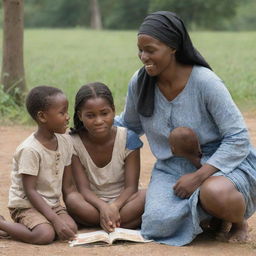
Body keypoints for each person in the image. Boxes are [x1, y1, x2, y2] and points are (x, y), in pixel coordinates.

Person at [115, 11, 256, 246]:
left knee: (215, 193)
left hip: (223, 164)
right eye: (140, 50)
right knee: (156, 225)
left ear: (173, 47)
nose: (143, 56)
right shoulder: (139, 83)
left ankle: (237, 219)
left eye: (150, 50)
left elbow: (238, 138)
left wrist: (198, 177)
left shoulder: (205, 82)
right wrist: (83, 130)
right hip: (172, 168)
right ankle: (211, 215)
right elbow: (127, 125)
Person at [64, 82, 146, 233]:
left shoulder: (128, 138)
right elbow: (83, 189)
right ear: (80, 115)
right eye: (90, 115)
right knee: (72, 200)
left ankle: (101, 222)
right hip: (91, 202)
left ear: (114, 111)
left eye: (104, 113)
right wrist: (103, 207)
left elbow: (131, 187)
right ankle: (118, 222)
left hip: (125, 201)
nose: (98, 121)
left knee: (146, 196)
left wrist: (114, 206)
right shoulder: (73, 142)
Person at [0, 86, 77, 244]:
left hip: (52, 204)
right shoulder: (30, 149)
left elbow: (68, 185)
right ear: (42, 117)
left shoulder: (65, 142)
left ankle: (35, 225)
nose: (68, 117)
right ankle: (2, 224)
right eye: (62, 113)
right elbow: (30, 191)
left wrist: (58, 215)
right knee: (44, 235)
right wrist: (54, 220)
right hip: (26, 204)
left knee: (71, 228)